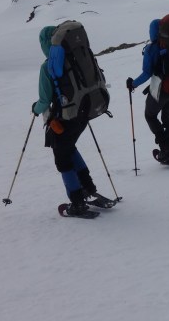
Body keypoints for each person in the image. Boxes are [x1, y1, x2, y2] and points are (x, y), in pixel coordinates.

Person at [32, 25, 104, 216]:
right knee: (69, 148)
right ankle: (88, 187)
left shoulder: (48, 67)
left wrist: (35, 109)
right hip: (84, 113)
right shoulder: (75, 59)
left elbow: (44, 100)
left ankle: (77, 201)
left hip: (64, 119)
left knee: (63, 159)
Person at [126, 18, 169, 164]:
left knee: (150, 116)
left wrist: (133, 84)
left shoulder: (151, 48)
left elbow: (147, 73)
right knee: (168, 119)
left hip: (161, 90)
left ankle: (166, 150)